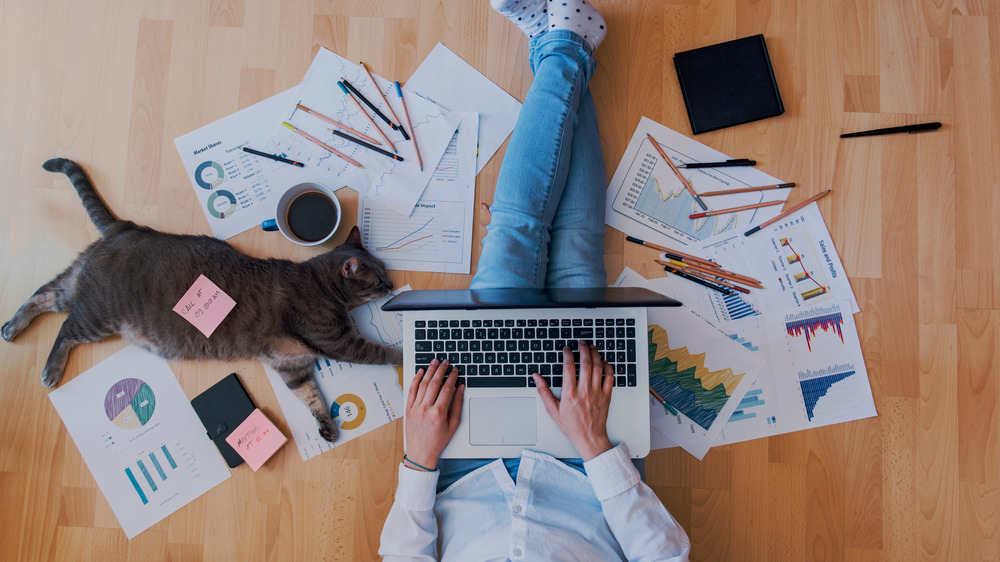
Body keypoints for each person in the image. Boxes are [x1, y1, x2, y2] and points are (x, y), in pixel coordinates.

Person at [379, 1, 691, 559]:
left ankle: (567, 41)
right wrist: (594, 445)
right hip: (586, 468)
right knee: (568, 246)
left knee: (519, 235)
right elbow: (665, 555)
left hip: (462, 463)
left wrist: (419, 460)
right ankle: (565, 42)